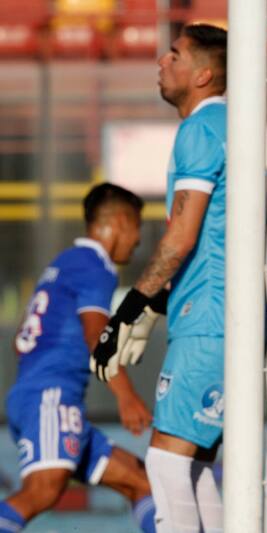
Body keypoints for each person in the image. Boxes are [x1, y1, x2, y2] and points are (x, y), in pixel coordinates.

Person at [89, 23, 227, 533]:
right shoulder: (228, 127)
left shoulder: (200, 129)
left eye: (174, 55)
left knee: (166, 463)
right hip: (223, 315)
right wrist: (158, 305)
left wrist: (130, 308)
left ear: (204, 74)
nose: (161, 63)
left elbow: (181, 237)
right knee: (193, 467)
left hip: (210, 320)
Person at [0, 183, 155, 533]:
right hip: (50, 396)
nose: (138, 240)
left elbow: (21, 339)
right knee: (41, 492)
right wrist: (125, 395)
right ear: (118, 222)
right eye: (137, 227)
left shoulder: (63, 263)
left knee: (140, 480)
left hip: (40, 395)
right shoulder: (94, 267)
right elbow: (95, 333)